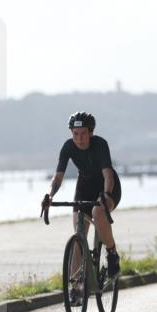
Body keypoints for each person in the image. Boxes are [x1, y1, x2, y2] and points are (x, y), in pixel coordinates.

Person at [41, 111, 122, 277]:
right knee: (79, 235)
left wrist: (106, 195)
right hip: (84, 186)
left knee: (98, 212)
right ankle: (76, 286)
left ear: (91, 132)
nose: (79, 138)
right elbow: (57, 177)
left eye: (83, 134)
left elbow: (108, 173)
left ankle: (112, 252)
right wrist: (50, 195)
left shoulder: (100, 144)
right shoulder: (68, 147)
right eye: (75, 134)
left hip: (107, 186)